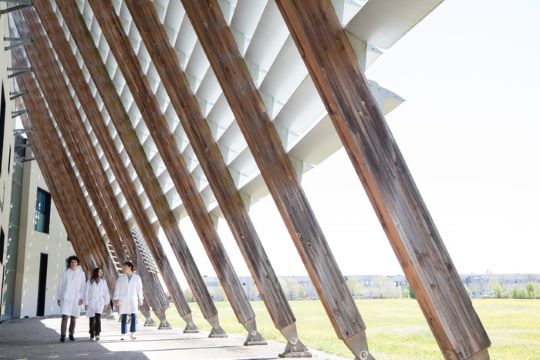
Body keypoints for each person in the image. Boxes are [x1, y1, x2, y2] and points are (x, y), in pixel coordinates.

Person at [57, 255, 86, 342]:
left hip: (76, 298)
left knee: (73, 317)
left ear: (77, 263)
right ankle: (62, 335)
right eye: (72, 262)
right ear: (69, 263)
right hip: (66, 297)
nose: (73, 264)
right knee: (65, 316)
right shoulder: (65, 273)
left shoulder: (81, 274)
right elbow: (60, 285)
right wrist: (58, 297)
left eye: (75, 262)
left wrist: (82, 298)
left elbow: (83, 286)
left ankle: (71, 334)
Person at [113, 261, 143, 340]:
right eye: (123, 267)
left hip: (133, 299)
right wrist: (116, 298)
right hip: (123, 299)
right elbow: (117, 289)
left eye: (125, 267)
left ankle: (133, 333)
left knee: (133, 316)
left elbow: (139, 289)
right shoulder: (121, 278)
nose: (123, 268)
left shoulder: (137, 277)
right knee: (124, 317)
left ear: (130, 267)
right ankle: (124, 334)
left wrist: (141, 299)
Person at [84, 267, 110, 341]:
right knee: (92, 318)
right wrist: (86, 303)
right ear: (96, 273)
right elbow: (86, 292)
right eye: (99, 272)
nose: (101, 273)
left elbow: (106, 292)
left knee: (98, 318)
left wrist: (106, 302)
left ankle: (97, 333)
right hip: (91, 302)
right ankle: (92, 333)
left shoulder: (103, 282)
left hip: (100, 302)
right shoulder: (90, 282)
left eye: (101, 272)